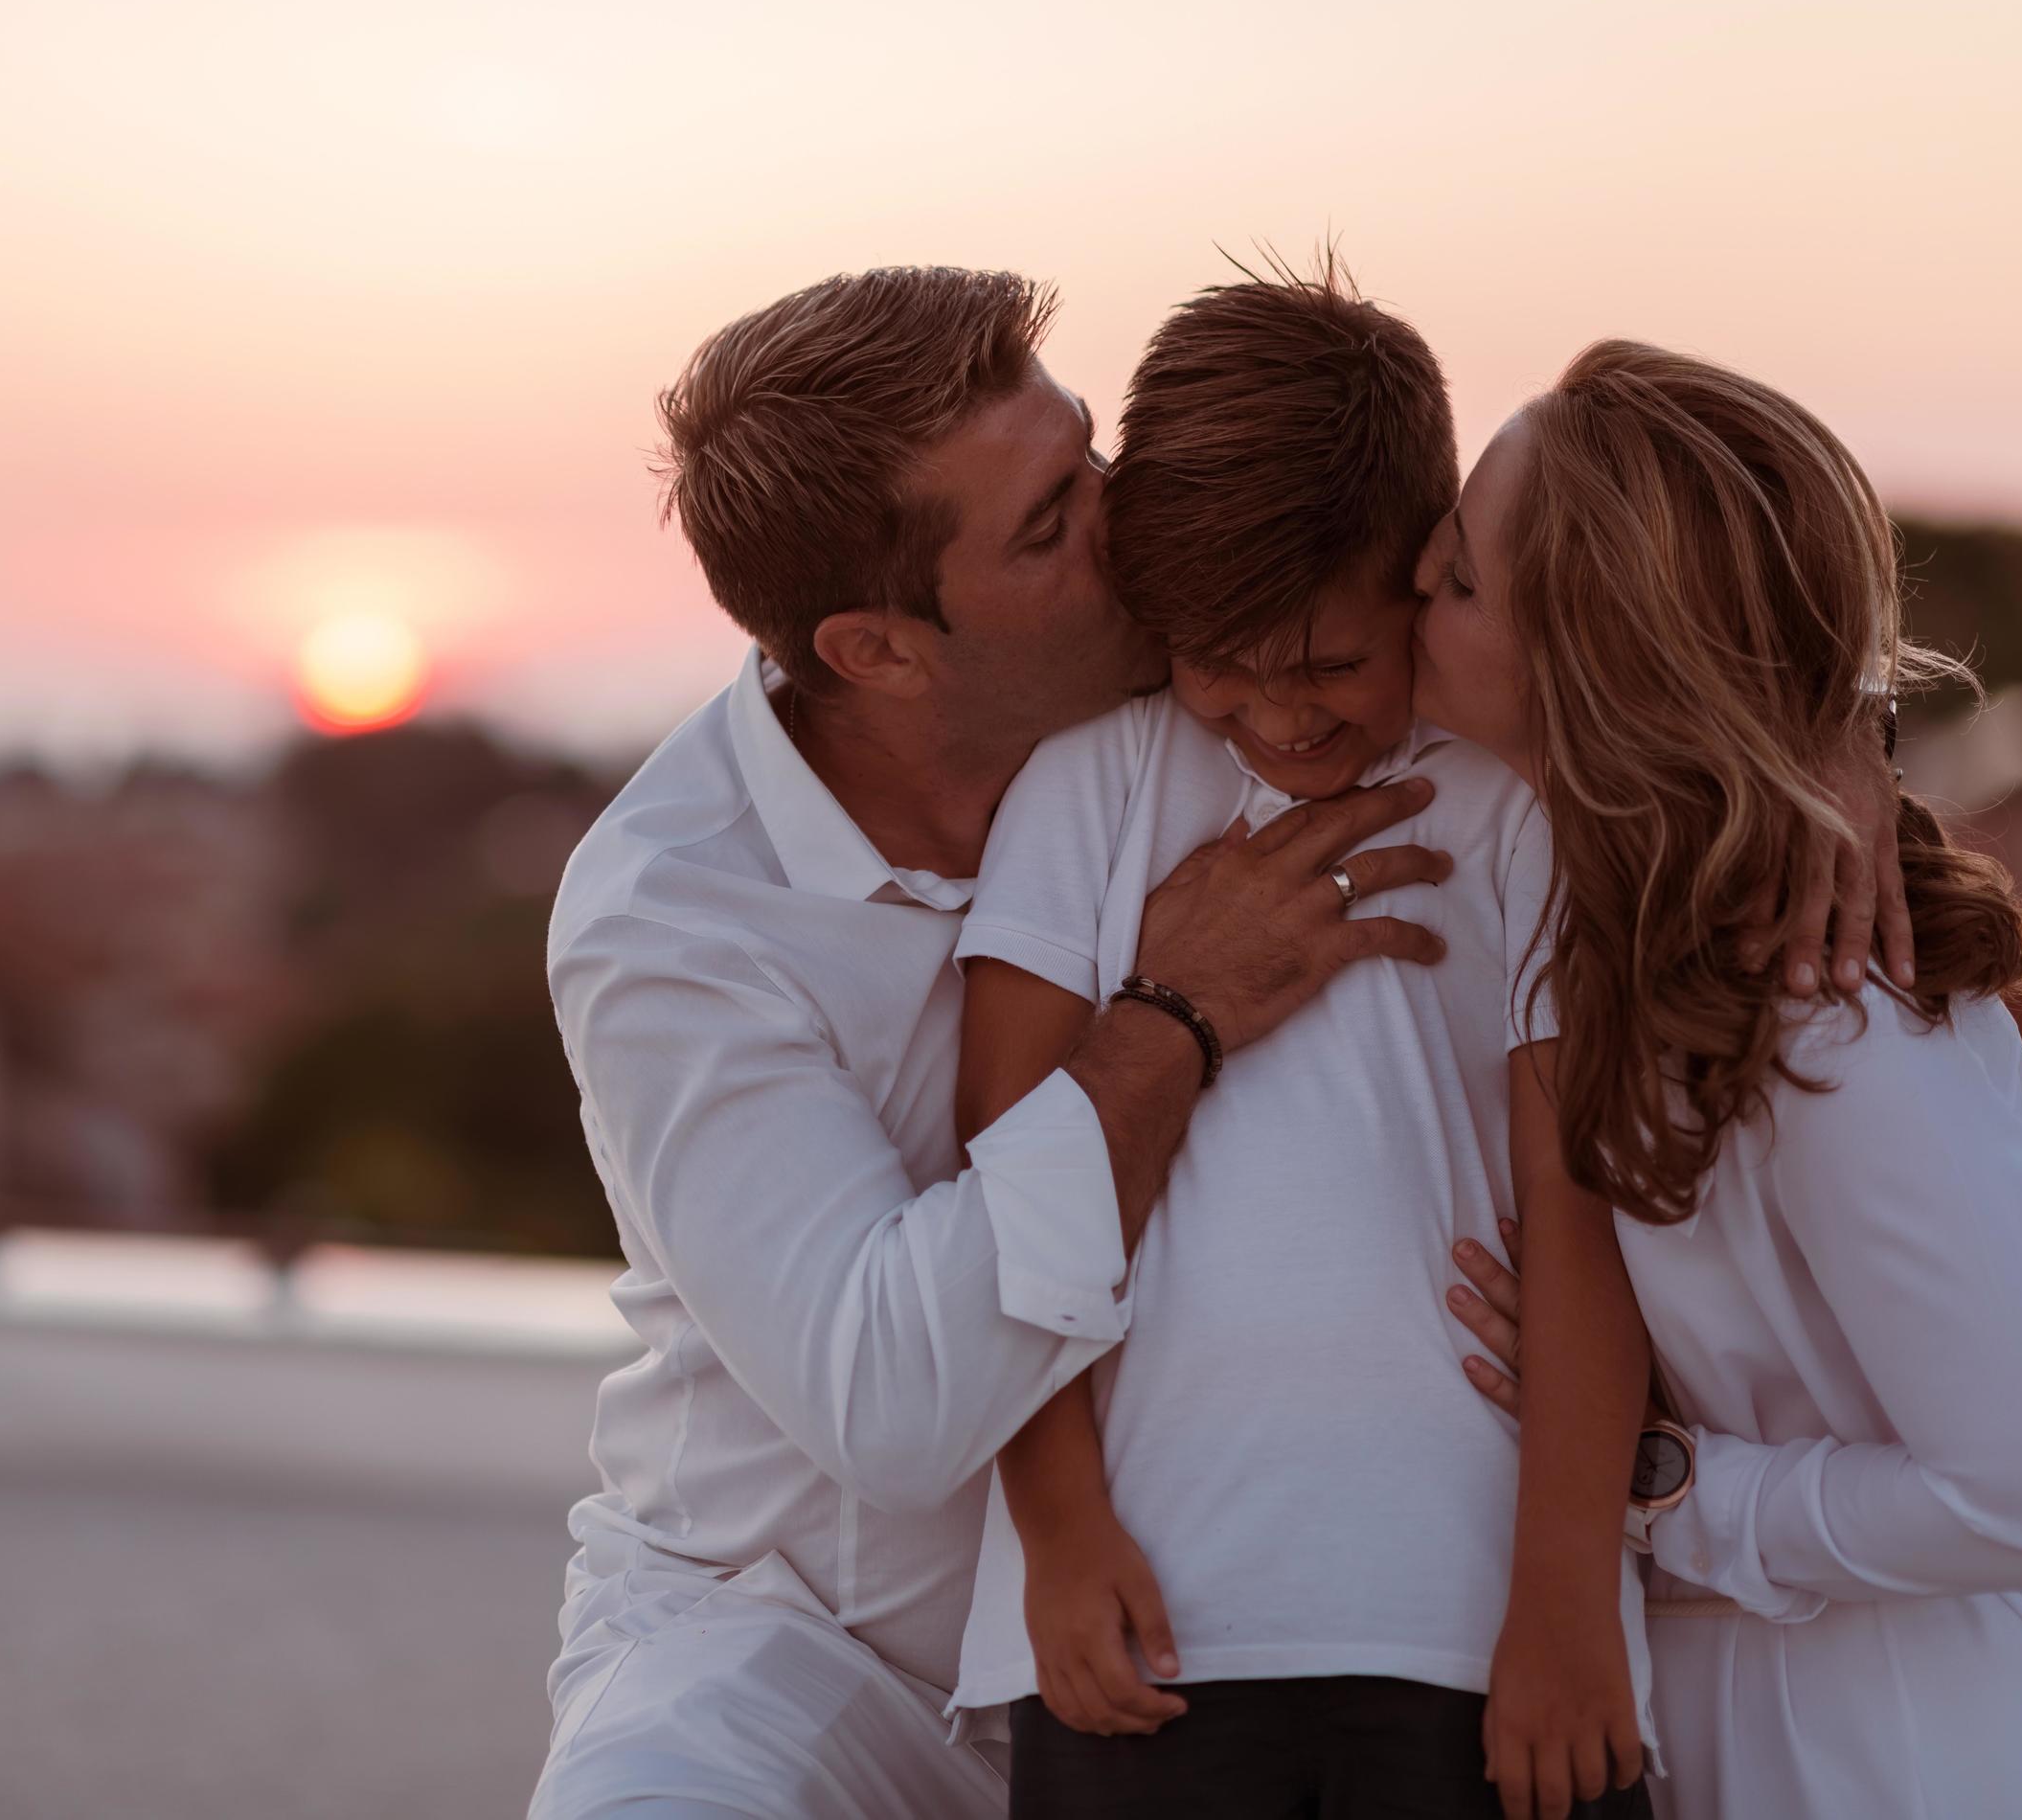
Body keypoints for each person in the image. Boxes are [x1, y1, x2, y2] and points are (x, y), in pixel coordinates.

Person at [530, 266, 1456, 1818]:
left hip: (1200, 1626)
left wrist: (1848, 772)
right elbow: (892, 1403)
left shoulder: (1223, 679)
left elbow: (1549, 591)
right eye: (1049, 521)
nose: (1121, 514)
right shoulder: (675, 921)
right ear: (880, 650)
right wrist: (1172, 1019)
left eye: (1087, 457)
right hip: (807, 1647)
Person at [942, 259, 1674, 1820]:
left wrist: (1568, 1608)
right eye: (1224, 667)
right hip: (1143, 1623)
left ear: (1425, 569)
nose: (1280, 721)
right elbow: (1004, 1170)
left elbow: (1578, 1204)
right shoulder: (1096, 785)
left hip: (1473, 1622)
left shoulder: (1517, 802)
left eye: (1332, 664)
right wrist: (1059, 1541)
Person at [1420, 340, 2022, 1818]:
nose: (1404, 607)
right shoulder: (1597, 925)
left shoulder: (1832, 1016)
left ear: (1591, 656)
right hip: (1731, 1716)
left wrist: (1660, 1490)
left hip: (1893, 1752)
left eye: (1455, 585)